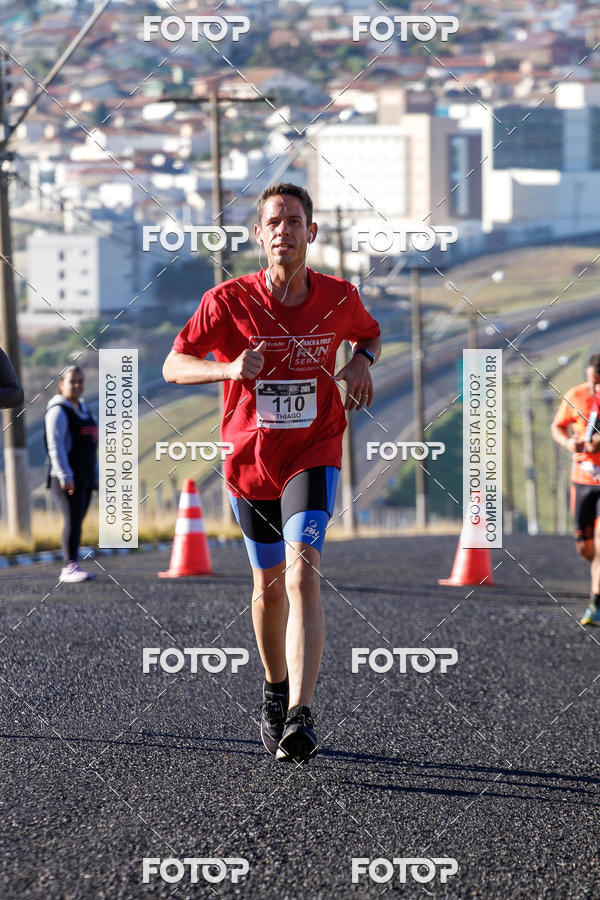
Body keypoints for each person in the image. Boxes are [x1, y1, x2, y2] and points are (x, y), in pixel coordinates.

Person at [163, 183, 381, 762]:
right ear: (259, 235)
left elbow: (370, 332)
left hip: (314, 450)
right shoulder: (228, 300)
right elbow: (173, 363)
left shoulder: (339, 296)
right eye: (273, 221)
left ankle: (302, 714)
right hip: (249, 462)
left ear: (312, 233)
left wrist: (360, 360)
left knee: (302, 573)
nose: (284, 229)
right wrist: (230, 367)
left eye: (294, 220)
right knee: (265, 589)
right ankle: (275, 687)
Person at [551, 353, 600, 625]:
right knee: (586, 548)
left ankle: (595, 603)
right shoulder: (576, 395)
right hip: (582, 480)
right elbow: (557, 426)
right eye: (592, 383)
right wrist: (569, 443)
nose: (595, 390)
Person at [44, 366, 98, 583]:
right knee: (72, 520)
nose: (76, 385)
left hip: (84, 476)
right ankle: (69, 567)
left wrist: (95, 474)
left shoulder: (84, 408)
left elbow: (92, 445)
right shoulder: (58, 410)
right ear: (61, 384)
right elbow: (55, 446)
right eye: (72, 381)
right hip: (66, 478)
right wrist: (65, 475)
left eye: (80, 381)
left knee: (78, 520)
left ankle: (73, 563)